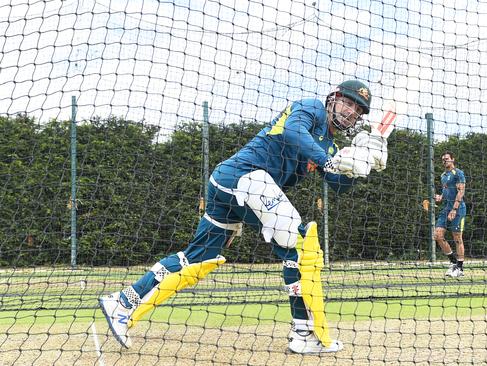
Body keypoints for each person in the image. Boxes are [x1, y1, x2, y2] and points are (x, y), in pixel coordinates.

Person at [98, 80, 389, 354]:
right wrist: (330, 160)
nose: (351, 112)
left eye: (358, 111)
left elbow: (339, 185)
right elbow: (293, 132)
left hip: (235, 186)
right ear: (334, 98)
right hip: (244, 177)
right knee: (298, 245)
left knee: (197, 259)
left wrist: (362, 161)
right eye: (348, 104)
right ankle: (304, 334)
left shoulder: (330, 147)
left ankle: (123, 302)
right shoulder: (311, 107)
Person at [434, 151, 466, 278]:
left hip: (458, 209)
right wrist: (439, 197)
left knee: (457, 238)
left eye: (447, 159)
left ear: (453, 159)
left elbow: (460, 192)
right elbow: (446, 192)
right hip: (445, 209)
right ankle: (453, 263)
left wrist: (454, 209)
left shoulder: (458, 173)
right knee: (437, 235)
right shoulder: (443, 175)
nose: (444, 161)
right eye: (443, 159)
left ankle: (460, 268)